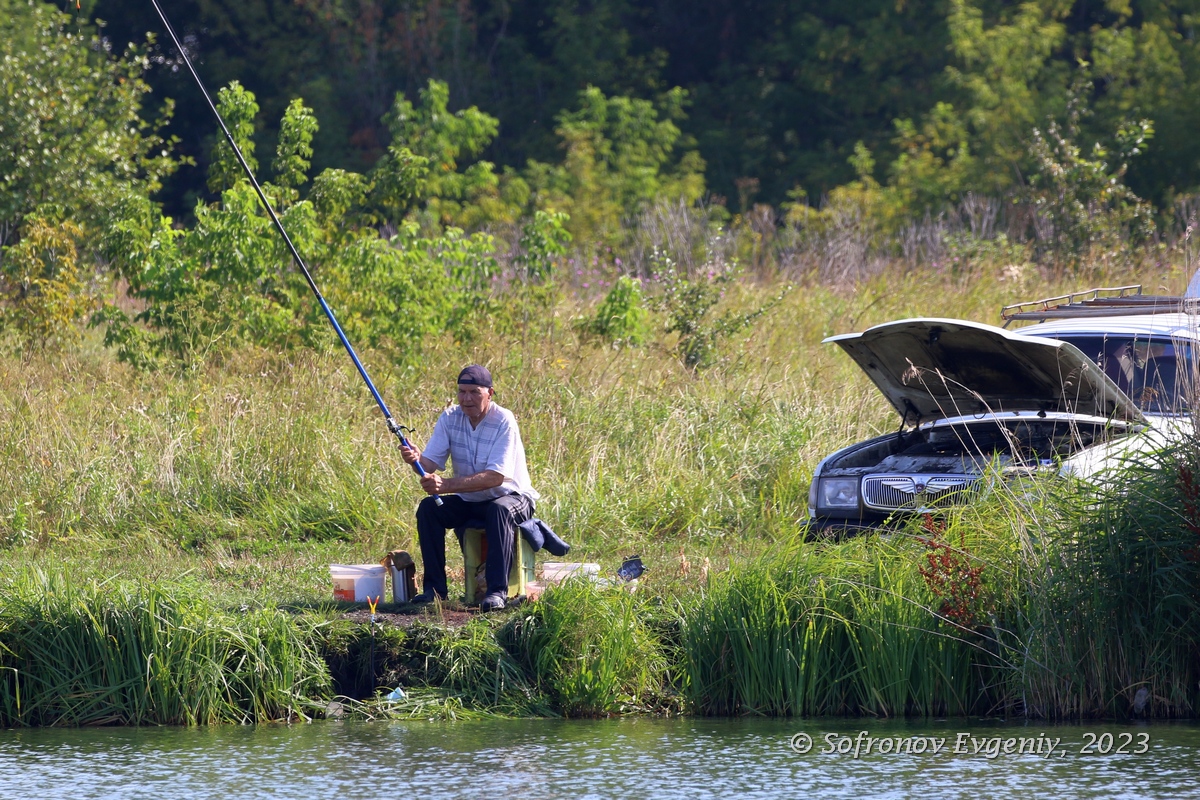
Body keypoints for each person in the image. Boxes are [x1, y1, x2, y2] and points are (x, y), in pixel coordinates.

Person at [399, 364, 539, 611]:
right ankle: (434, 590)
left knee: (500, 510)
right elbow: (431, 464)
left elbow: (496, 477)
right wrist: (415, 459)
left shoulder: (504, 420)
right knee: (428, 508)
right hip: (470, 500)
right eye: (462, 392)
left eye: (474, 392)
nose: (467, 399)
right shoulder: (450, 417)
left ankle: (496, 592)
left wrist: (446, 485)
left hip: (512, 497)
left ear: (490, 393)